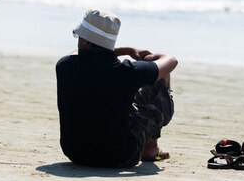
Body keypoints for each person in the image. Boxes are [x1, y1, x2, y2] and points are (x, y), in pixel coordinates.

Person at [55, 9, 177, 168]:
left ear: (85, 42)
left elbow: (74, 54)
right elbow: (171, 61)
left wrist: (123, 50)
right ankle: (150, 147)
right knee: (159, 76)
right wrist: (141, 55)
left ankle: (149, 146)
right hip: (121, 156)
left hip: (76, 153)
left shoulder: (64, 66)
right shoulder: (126, 72)